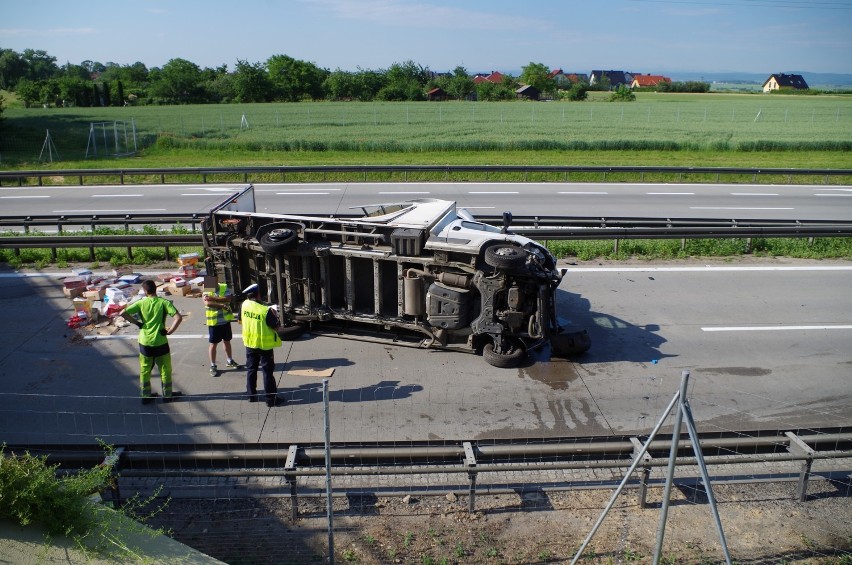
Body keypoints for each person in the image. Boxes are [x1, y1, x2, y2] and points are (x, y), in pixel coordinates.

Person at [121, 279, 183, 404]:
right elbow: (178, 318)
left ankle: (146, 395)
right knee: (165, 369)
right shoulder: (163, 302)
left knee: (145, 369)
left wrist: (138, 323)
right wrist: (170, 331)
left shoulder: (141, 303)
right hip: (160, 341)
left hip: (145, 342)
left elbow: (123, 313)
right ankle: (167, 395)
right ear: (155, 289)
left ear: (144, 291)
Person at [239, 283, 283, 407]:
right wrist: (275, 315)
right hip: (264, 346)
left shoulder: (244, 305)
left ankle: (251, 395)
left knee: (251, 369)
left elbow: (240, 321)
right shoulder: (265, 311)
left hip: (250, 343)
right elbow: (277, 328)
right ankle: (270, 399)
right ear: (258, 294)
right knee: (267, 372)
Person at [203, 278, 240, 376]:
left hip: (225, 321)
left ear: (217, 282)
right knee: (213, 344)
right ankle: (213, 365)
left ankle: (229, 360)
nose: (211, 288)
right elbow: (208, 303)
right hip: (214, 323)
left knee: (227, 341)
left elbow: (228, 299)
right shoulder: (207, 288)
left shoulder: (223, 287)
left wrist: (214, 298)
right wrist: (222, 305)